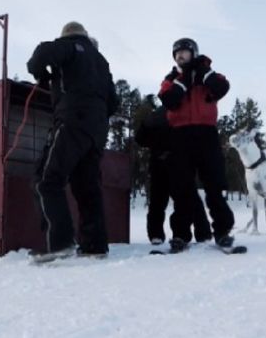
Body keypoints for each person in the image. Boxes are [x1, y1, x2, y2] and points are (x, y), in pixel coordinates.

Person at [26, 21, 119, 260]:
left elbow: (40, 55)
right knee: (87, 187)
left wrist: (41, 74)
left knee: (46, 180)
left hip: (71, 121)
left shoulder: (69, 46)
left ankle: (59, 243)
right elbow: (114, 102)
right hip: (97, 130)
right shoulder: (101, 60)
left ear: (67, 35)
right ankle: (94, 246)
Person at [158, 38, 235, 252]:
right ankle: (181, 235)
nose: (179, 56)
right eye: (176, 54)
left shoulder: (208, 74)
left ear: (193, 53)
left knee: (214, 184)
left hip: (206, 133)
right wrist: (184, 81)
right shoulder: (171, 79)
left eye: (183, 52)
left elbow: (222, 87)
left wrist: (204, 73)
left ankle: (222, 231)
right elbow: (169, 99)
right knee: (181, 186)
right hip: (180, 135)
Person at [135, 105, 212, 245]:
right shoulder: (186, 114)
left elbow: (140, 139)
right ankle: (198, 233)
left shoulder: (154, 116)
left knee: (159, 201)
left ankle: (157, 235)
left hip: (160, 161)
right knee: (188, 199)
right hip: (177, 163)